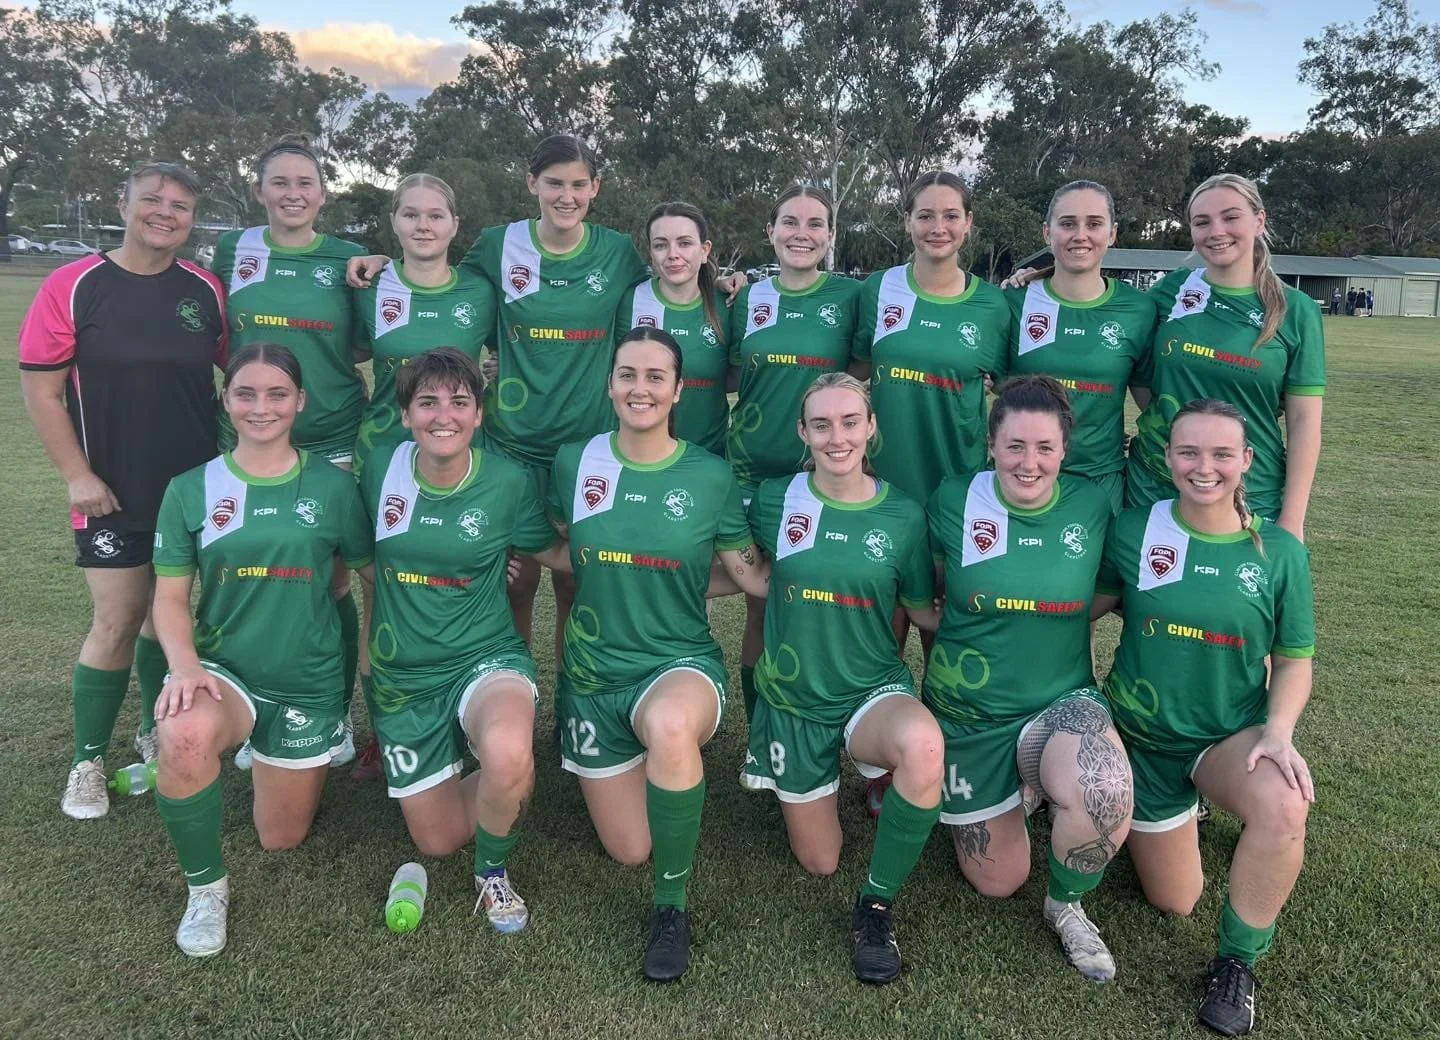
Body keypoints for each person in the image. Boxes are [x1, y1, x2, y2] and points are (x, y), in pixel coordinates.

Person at [548, 327, 768, 982]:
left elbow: (746, 571)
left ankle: (671, 909)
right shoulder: (573, 462)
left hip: (678, 663)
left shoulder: (707, 474)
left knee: (671, 727)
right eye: (627, 375)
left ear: (678, 389)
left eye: (654, 377)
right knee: (629, 848)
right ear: (610, 382)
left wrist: (824, 578)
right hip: (592, 676)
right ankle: (649, 757)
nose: (639, 388)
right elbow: (561, 547)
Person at [1094, 399, 1316, 1036]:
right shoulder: (1135, 530)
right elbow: (1090, 604)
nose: (1204, 467)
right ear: (1167, 458)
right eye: (1189, 452)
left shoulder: (1278, 552)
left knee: (1284, 804)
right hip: (1140, 739)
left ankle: (1237, 964)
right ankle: (1159, 806)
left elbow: (1295, 659)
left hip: (1226, 739)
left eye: (1222, 454)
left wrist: (1279, 731)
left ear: (1247, 461)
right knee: (1174, 900)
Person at [19, 160, 226, 818]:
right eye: (153, 200)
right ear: (124, 202)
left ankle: (150, 732)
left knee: (168, 616)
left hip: (193, 491)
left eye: (181, 206)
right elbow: (42, 390)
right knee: (115, 619)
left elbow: (238, 371)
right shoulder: (74, 285)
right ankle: (86, 760)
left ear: (192, 220)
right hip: (110, 491)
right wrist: (77, 475)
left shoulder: (205, 290)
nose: (165, 213)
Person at [150, 344, 372, 957]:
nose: (261, 407)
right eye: (245, 393)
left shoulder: (334, 487)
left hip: (306, 682)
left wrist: (359, 673)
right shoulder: (191, 489)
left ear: (300, 402)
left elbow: (359, 579)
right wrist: (185, 668)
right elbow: (169, 598)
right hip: (226, 673)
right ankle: (204, 889)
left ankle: (308, 736)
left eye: (277, 394)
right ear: (227, 401)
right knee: (183, 732)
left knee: (281, 838)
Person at [924, 375, 1131, 982]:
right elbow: (933, 591)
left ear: (1065, 450)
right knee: (998, 880)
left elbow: (1108, 590)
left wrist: (1044, 617)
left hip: (1059, 701)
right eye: (1015, 445)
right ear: (991, 444)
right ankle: (1017, 789)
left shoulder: (1092, 506)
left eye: (1045, 447)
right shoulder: (954, 499)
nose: (1030, 461)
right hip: (970, 714)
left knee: (1107, 791)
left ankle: (1065, 904)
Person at [739, 372, 944, 985]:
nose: (837, 437)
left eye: (850, 422)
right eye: (822, 425)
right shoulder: (775, 499)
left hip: (870, 690)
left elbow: (923, 610)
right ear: (803, 433)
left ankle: (875, 906)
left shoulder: (904, 513)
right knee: (820, 861)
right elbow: (734, 561)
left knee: (924, 746)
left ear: (871, 426)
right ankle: (817, 775)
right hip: (796, 702)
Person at [363, 347, 567, 932]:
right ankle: (507, 779)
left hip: (486, 657)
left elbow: (547, 550)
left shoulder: (506, 480)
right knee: (438, 840)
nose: (443, 415)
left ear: (479, 414)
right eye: (427, 402)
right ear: (406, 415)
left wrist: (625, 555)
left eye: (459, 401)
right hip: (406, 676)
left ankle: (493, 872)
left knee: (505, 751)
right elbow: (362, 556)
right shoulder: (381, 469)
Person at [212, 133, 368, 766]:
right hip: (245, 440)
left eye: (305, 183)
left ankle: (332, 715)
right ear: (260, 191)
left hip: (329, 438)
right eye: (280, 182)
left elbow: (362, 345)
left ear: (323, 194)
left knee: (331, 580)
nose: (293, 194)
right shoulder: (233, 249)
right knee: (245, 574)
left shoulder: (353, 259)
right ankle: (257, 706)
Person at [349, 173, 498, 780]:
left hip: (465, 460)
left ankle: (466, 719)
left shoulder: (483, 292)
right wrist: (368, 260)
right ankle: (386, 731)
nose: (423, 226)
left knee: (461, 585)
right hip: (385, 458)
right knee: (380, 592)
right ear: (395, 223)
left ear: (455, 225)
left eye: (436, 215)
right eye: (410, 215)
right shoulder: (369, 285)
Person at [1127, 174, 1325, 540]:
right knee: (1143, 596)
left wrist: (1293, 519)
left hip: (1251, 491)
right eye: (1202, 222)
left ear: (1259, 220)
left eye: (1230, 217)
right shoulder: (1171, 291)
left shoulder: (1296, 311)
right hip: (1155, 485)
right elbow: (1128, 361)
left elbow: (1304, 423)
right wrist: (1032, 279)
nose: (1216, 231)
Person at [729, 185, 861, 724]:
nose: (801, 234)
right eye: (789, 223)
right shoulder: (745, 299)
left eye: (814, 225)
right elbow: (731, 374)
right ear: (771, 232)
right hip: (753, 470)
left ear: (831, 236)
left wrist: (1030, 273)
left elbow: (864, 369)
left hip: (827, 471)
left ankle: (833, 725)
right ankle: (762, 726)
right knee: (759, 606)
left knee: (828, 608)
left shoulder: (854, 297)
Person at [850, 171, 1011, 502]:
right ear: (908, 221)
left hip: (959, 484)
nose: (938, 228)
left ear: (968, 222)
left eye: (951, 216)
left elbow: (1011, 386)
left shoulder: (993, 304)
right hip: (881, 484)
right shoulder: (878, 289)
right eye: (925, 216)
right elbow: (856, 372)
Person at [1005, 180, 1158, 514]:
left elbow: (1150, 401)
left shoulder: (1139, 310)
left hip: (1100, 483)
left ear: (1113, 233)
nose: (1080, 235)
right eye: (1068, 223)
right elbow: (987, 380)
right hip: (1023, 477)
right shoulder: (1014, 300)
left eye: (1094, 223)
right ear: (1047, 232)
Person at [615, 202, 732, 455]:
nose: (672, 254)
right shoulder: (629, 301)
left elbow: (738, 376)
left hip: (708, 456)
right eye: (660, 245)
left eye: (685, 243)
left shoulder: (729, 305)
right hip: (638, 454)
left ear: (704, 251)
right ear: (651, 252)